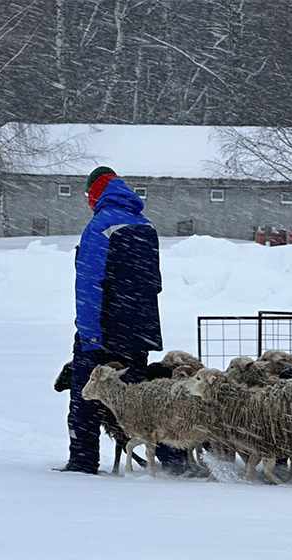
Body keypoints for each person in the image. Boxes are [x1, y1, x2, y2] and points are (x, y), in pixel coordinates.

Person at [60, 165, 187, 474]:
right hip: (137, 332)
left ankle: (83, 462)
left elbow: (89, 284)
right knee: (142, 404)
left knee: (85, 400)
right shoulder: (145, 225)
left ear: (95, 194)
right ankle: (176, 462)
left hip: (105, 330)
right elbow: (153, 282)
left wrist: (90, 334)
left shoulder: (100, 226)